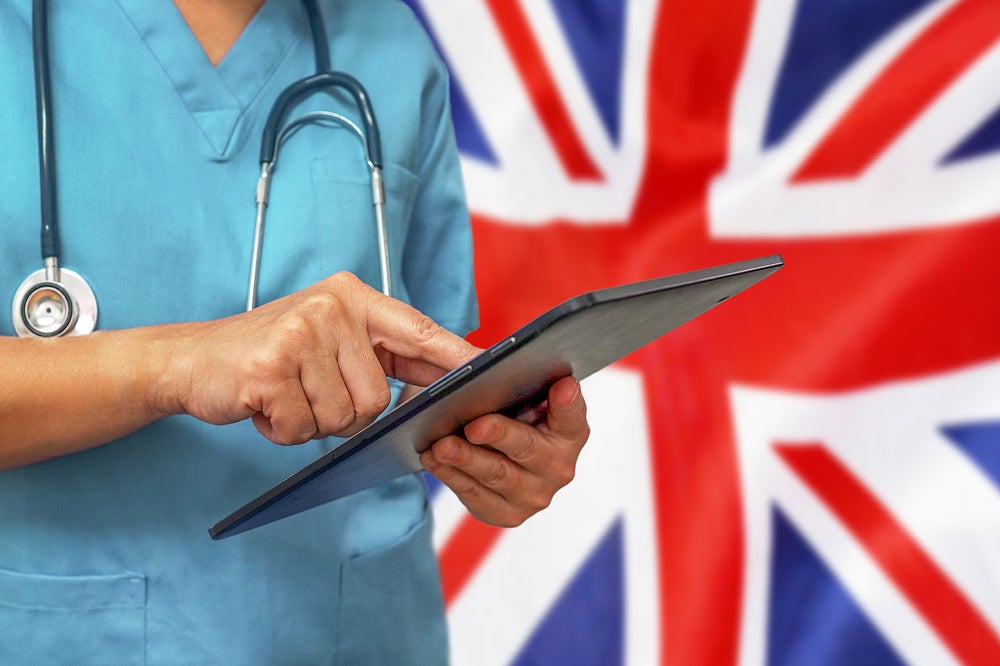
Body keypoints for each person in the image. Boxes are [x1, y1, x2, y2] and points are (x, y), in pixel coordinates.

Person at [0, 0, 590, 663]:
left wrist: (497, 451)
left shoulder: (391, 47)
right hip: (69, 635)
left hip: (354, 632)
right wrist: (178, 363)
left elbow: (429, 379)